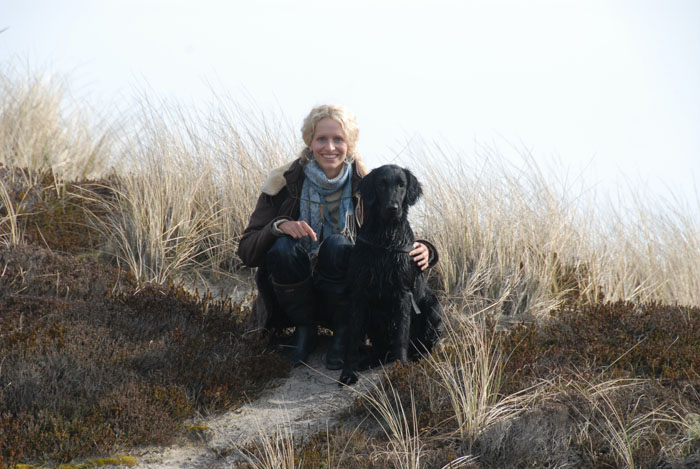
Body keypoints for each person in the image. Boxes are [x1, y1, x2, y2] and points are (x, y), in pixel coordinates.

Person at [236, 104, 438, 369]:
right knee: (283, 248)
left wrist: (426, 249)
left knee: (339, 245)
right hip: (296, 296)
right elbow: (247, 251)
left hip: (347, 299)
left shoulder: (369, 186)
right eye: (321, 139)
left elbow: (395, 233)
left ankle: (343, 337)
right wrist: (279, 226)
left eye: (338, 139)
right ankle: (304, 332)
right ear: (310, 141)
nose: (329, 147)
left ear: (349, 145)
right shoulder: (282, 184)